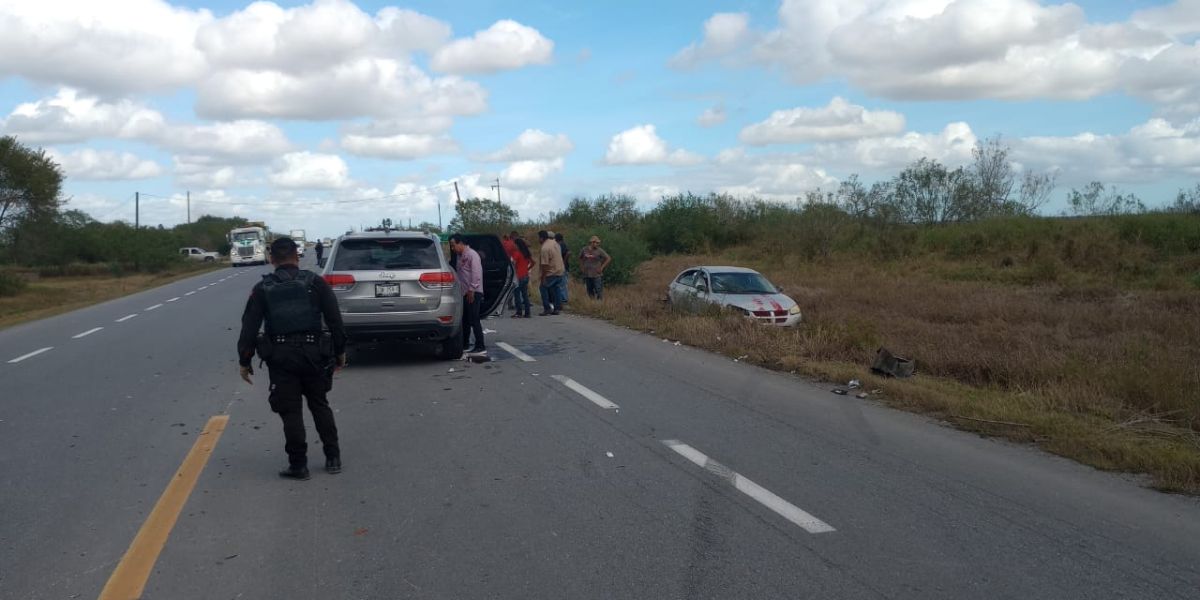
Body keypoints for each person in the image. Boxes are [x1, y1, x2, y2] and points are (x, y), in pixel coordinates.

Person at [237, 237, 346, 481]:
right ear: (297, 256)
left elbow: (249, 328)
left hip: (281, 357)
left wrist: (245, 361)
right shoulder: (316, 282)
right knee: (320, 404)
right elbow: (335, 320)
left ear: (271, 259)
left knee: (290, 411)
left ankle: (298, 465)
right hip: (314, 354)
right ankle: (333, 458)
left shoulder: (262, 289)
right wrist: (340, 351)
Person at [450, 234, 487, 357]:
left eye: (453, 245)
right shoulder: (460, 256)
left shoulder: (472, 255)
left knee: (474, 319)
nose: (452, 248)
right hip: (463, 292)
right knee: (464, 319)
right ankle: (465, 344)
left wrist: (472, 289)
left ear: (461, 243)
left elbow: (476, 274)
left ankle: (480, 345)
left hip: (473, 292)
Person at [537, 230, 565, 315]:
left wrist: (543, 277)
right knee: (556, 289)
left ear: (541, 238)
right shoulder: (555, 243)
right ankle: (557, 308)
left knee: (543, 288)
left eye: (538, 238)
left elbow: (545, 265)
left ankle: (547, 308)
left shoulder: (545, 248)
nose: (538, 239)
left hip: (551, 272)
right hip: (560, 270)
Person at [579, 235, 612, 300]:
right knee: (589, 289)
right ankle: (592, 303)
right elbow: (580, 258)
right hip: (587, 273)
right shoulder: (584, 249)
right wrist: (582, 267)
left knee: (598, 289)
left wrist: (602, 267)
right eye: (595, 242)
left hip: (596, 274)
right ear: (591, 242)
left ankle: (599, 304)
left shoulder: (599, 250)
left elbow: (608, 258)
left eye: (598, 243)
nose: (597, 244)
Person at [510, 237, 533, 318]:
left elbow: (513, 263)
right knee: (525, 294)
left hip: (518, 276)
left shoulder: (517, 253)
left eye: (514, 244)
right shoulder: (526, 253)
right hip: (526, 275)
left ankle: (519, 312)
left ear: (517, 245)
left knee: (517, 294)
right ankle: (527, 313)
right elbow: (533, 262)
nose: (514, 246)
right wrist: (527, 268)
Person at [554, 232, 570, 305]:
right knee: (562, 283)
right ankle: (563, 298)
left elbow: (568, 253)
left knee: (562, 284)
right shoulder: (563, 244)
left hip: (563, 267)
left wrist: (563, 262)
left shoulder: (561, 245)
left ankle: (564, 299)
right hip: (564, 267)